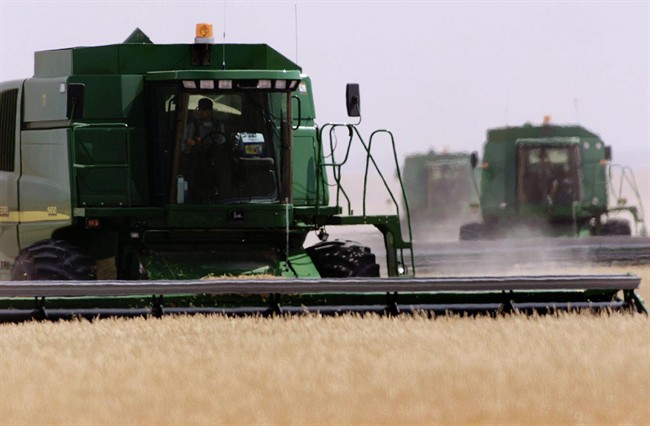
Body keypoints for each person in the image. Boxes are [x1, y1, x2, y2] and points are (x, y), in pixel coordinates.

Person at [180, 98, 229, 203]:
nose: (202, 112)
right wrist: (192, 144)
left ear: (211, 111)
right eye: (200, 110)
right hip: (197, 162)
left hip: (214, 162)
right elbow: (184, 145)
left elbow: (222, 143)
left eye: (205, 110)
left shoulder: (218, 126)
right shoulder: (192, 126)